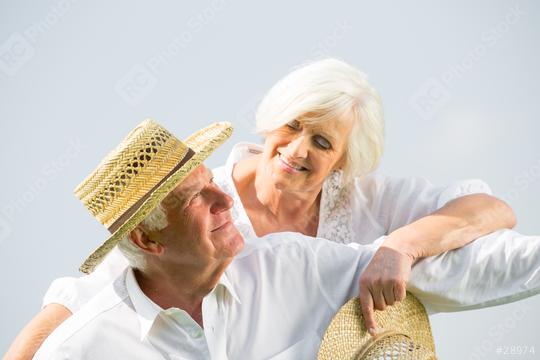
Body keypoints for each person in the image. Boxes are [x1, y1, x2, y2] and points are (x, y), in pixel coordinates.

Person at [5, 59, 517, 359]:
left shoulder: (363, 203)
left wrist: (401, 245)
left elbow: (487, 213)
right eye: (292, 126)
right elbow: (77, 311)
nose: (298, 150)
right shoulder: (191, 219)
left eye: (322, 141)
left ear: (343, 161)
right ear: (271, 121)